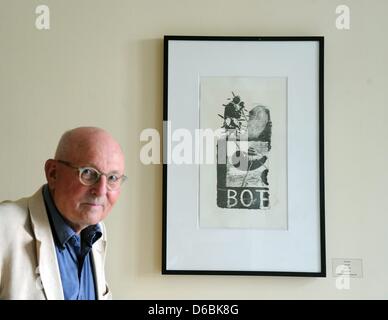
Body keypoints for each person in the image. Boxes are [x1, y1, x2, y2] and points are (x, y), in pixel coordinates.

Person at [0, 127, 126, 300]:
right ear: (53, 173)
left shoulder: (97, 232)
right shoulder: (4, 226)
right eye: (88, 173)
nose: (101, 190)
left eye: (112, 178)